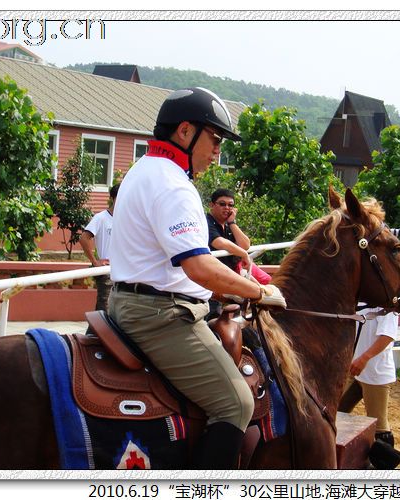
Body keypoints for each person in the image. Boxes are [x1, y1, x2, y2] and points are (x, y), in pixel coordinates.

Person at [108, 87, 286, 469]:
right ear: (185, 132)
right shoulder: (174, 183)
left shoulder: (141, 169)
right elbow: (199, 266)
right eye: (215, 140)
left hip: (130, 301)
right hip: (159, 317)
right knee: (236, 402)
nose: (217, 152)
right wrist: (257, 290)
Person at [336, 305, 400, 446]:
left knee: (380, 427)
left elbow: (388, 336)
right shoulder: (363, 301)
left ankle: (386, 464)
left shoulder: (389, 305)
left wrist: (364, 359)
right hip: (356, 371)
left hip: (375, 374)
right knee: (338, 411)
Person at [206, 188, 271, 284]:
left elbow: (245, 245)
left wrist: (232, 222)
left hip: (236, 267)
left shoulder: (228, 224)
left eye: (230, 205)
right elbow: (219, 243)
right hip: (218, 271)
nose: (227, 208)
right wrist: (244, 254)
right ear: (211, 205)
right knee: (254, 290)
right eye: (222, 204)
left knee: (267, 281)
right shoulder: (206, 222)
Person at [80, 183, 120, 313]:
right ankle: (95, 332)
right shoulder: (101, 218)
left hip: (124, 271)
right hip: (107, 273)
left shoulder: (127, 219)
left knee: (117, 311)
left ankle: (94, 332)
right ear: (114, 198)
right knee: (104, 308)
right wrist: (95, 261)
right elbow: (84, 238)